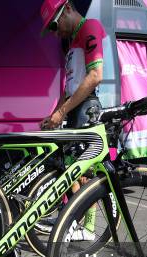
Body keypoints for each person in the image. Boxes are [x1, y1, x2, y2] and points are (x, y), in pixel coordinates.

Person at [39, 0, 106, 240]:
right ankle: (73, 218)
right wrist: (55, 113)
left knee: (84, 170)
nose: (56, 33)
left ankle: (87, 229)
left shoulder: (90, 27)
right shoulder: (72, 41)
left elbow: (96, 75)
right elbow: (69, 88)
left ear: (67, 8)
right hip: (75, 107)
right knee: (70, 168)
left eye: (55, 26)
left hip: (87, 108)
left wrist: (62, 112)